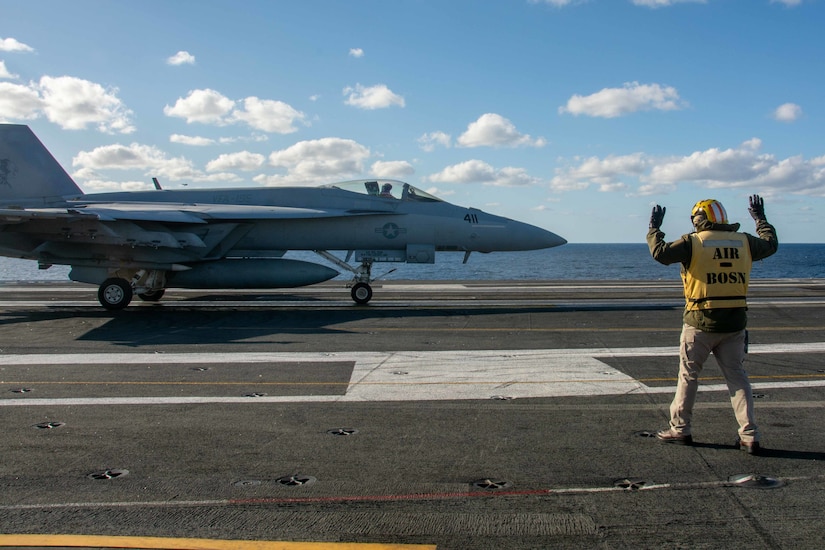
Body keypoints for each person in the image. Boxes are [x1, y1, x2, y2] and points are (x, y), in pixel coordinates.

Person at [647, 195, 778, 455]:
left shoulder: (692, 242)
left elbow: (660, 253)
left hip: (699, 323)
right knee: (737, 379)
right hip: (734, 324)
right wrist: (760, 219)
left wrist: (653, 228)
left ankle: (680, 429)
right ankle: (749, 435)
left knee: (688, 376)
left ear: (700, 219)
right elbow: (771, 244)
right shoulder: (745, 242)